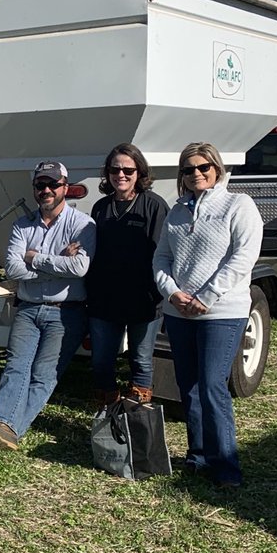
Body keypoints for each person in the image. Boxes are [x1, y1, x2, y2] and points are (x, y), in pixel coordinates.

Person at [153, 142, 263, 488]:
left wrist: (207, 296)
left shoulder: (238, 205)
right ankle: (197, 456)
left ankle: (227, 466)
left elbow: (244, 256)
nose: (196, 173)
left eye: (203, 167)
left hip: (221, 312)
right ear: (181, 176)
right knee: (189, 386)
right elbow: (161, 259)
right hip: (180, 313)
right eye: (188, 169)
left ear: (217, 169)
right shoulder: (177, 211)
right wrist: (171, 292)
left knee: (213, 384)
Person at [0, 161, 96, 451]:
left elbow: (80, 267)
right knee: (16, 366)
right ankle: (3, 425)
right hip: (28, 308)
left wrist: (35, 257)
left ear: (65, 187)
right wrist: (57, 262)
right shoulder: (22, 224)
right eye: (41, 185)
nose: (46, 190)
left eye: (53, 184)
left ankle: (8, 430)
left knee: (44, 374)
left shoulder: (83, 225)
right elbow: (13, 269)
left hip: (67, 312)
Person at [86, 143, 170, 405]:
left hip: (143, 300)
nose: (120, 174)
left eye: (128, 170)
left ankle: (139, 414)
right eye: (115, 169)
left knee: (141, 360)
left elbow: (162, 254)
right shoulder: (101, 207)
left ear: (139, 172)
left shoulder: (154, 206)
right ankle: (107, 412)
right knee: (101, 361)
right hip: (104, 300)